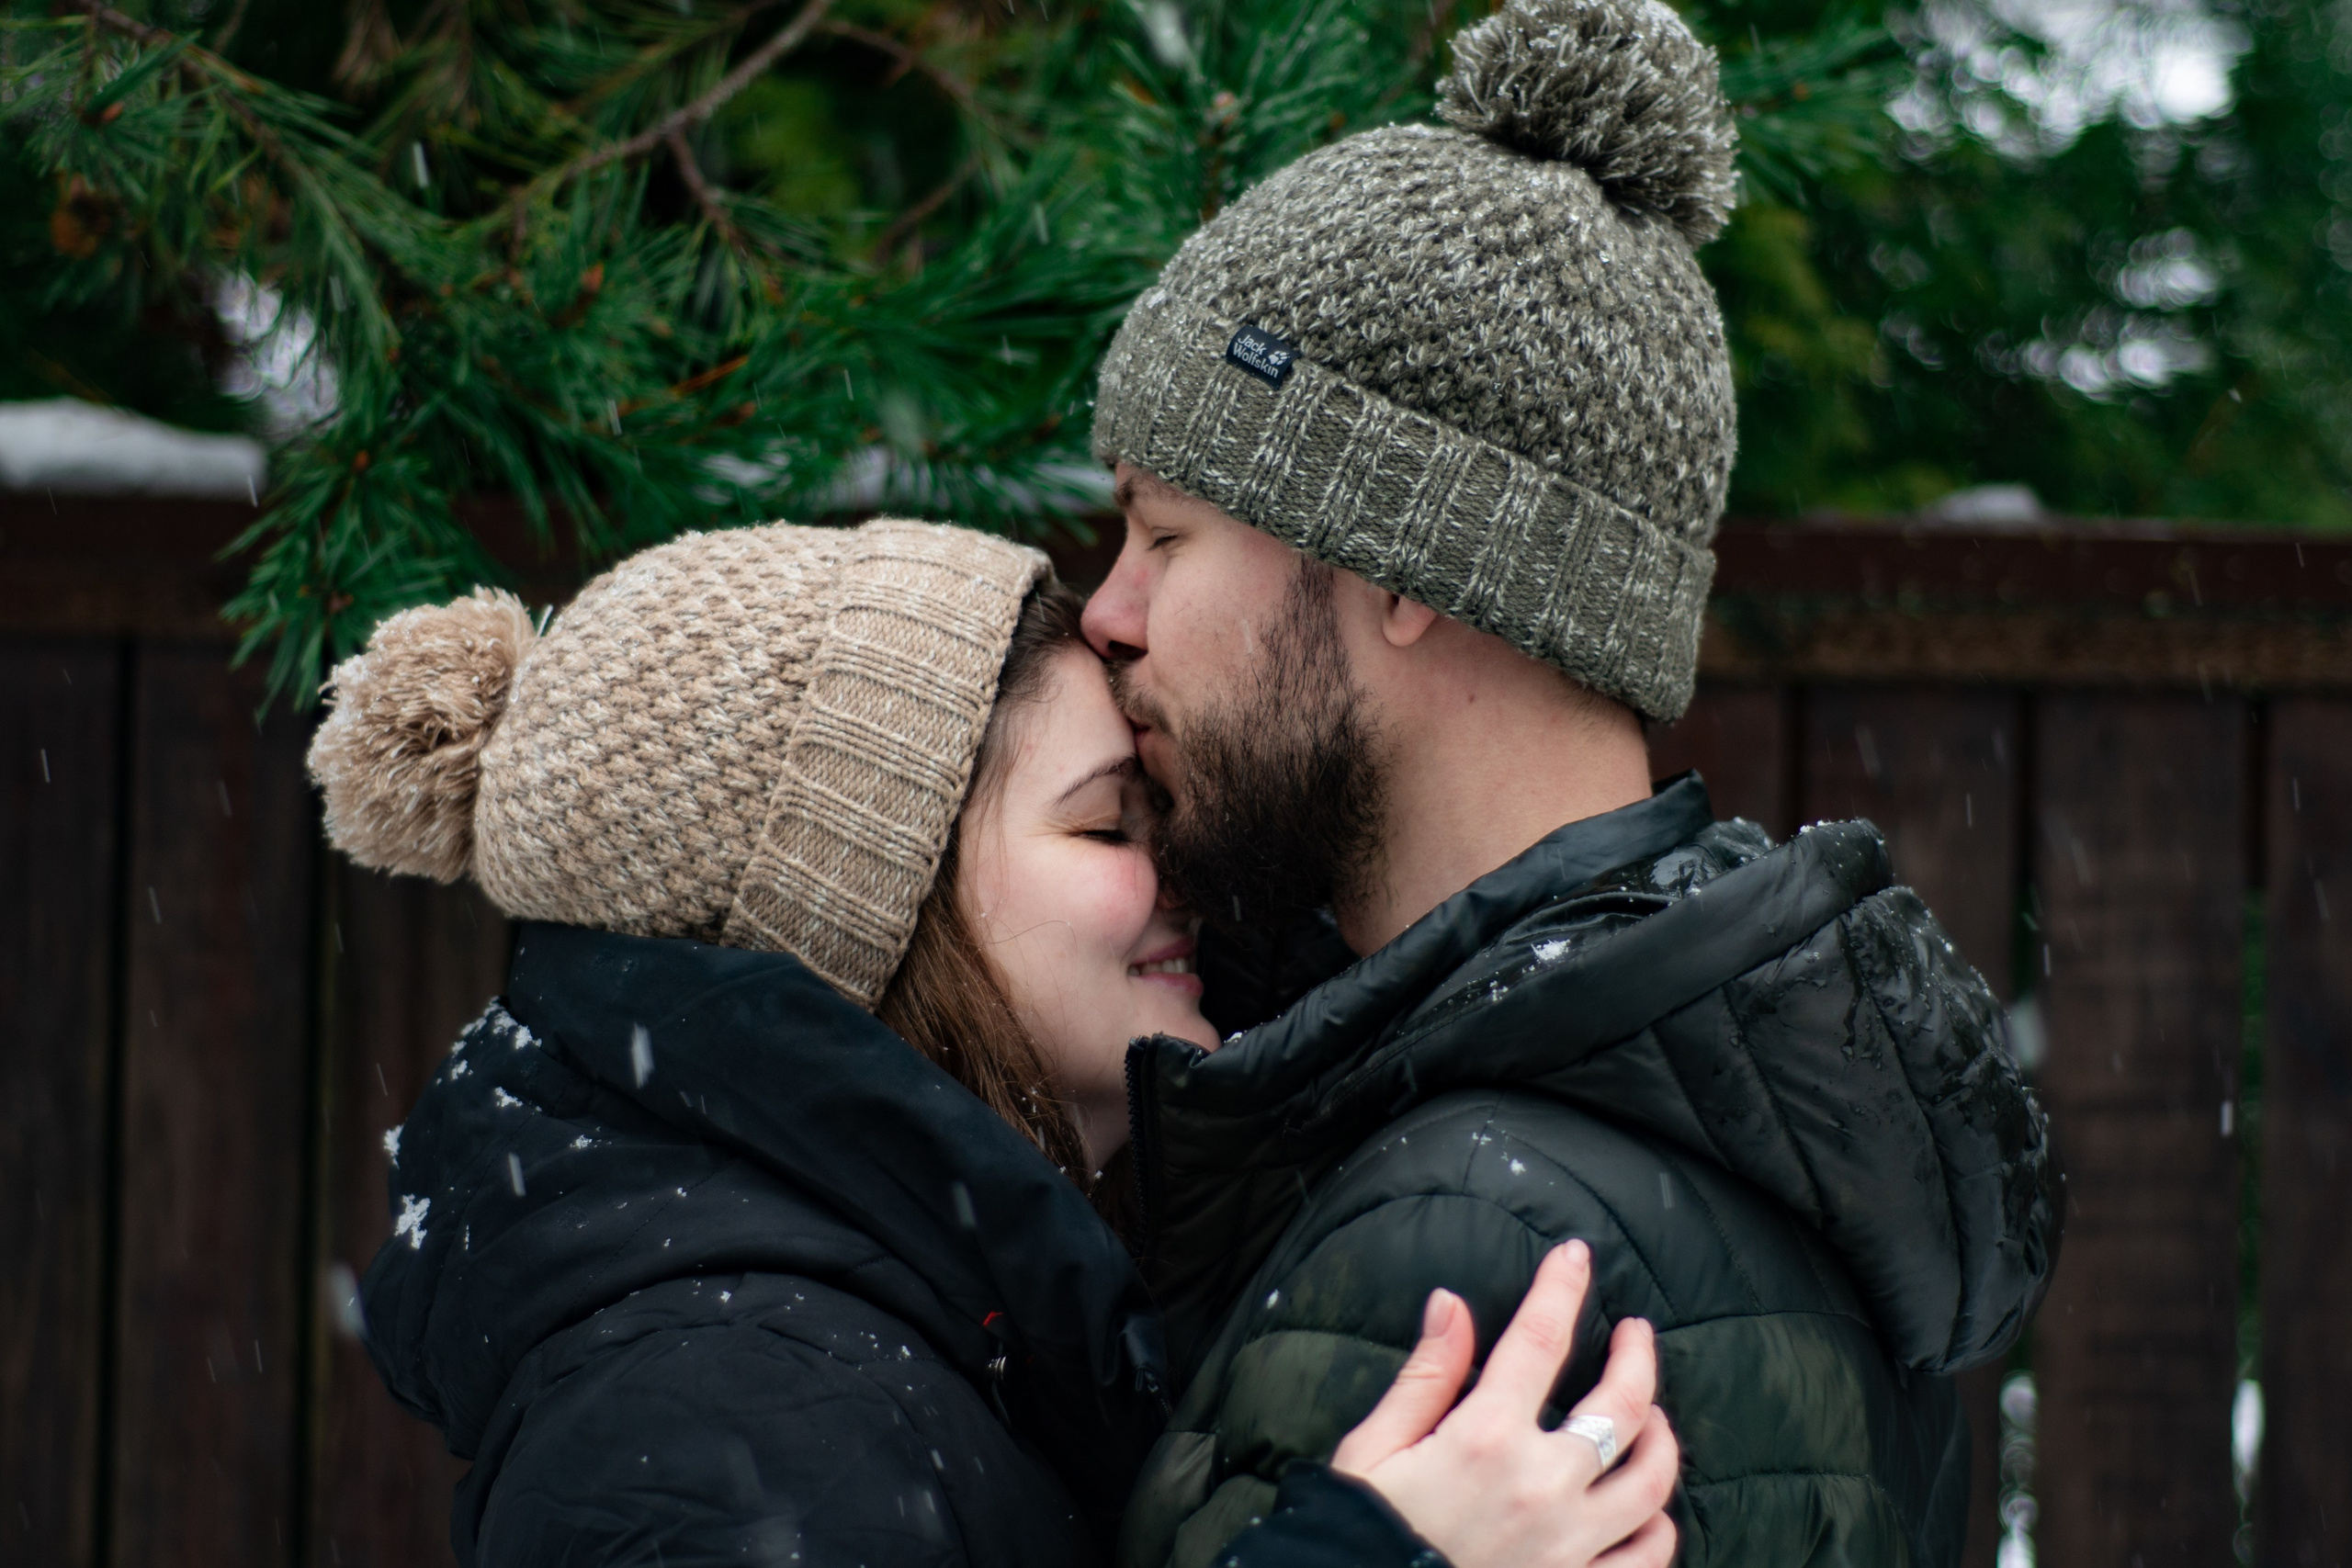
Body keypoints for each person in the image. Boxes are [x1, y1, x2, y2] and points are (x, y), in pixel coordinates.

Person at [1076, 2, 2061, 1566]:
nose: (1106, 613)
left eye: (1165, 534)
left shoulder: (1482, 1255)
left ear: (1401, 565)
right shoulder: (1728, 1121)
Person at [311, 518, 1679, 1568]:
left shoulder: (900, 1329)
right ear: (865, 920)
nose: (1181, 870)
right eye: (1104, 826)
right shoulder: (727, 1414)